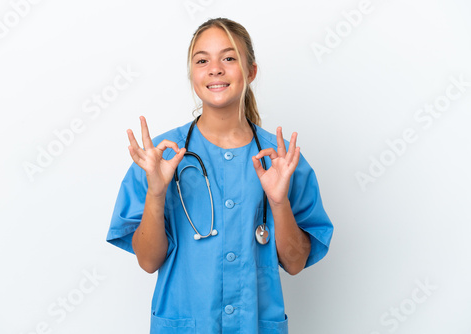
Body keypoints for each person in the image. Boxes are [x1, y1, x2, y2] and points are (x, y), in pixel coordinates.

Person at [106, 17, 333, 334]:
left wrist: (279, 203)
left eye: (229, 58)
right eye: (202, 60)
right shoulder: (158, 157)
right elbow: (148, 261)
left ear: (251, 71)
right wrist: (156, 194)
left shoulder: (281, 160)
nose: (215, 68)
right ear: (192, 74)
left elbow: (295, 263)